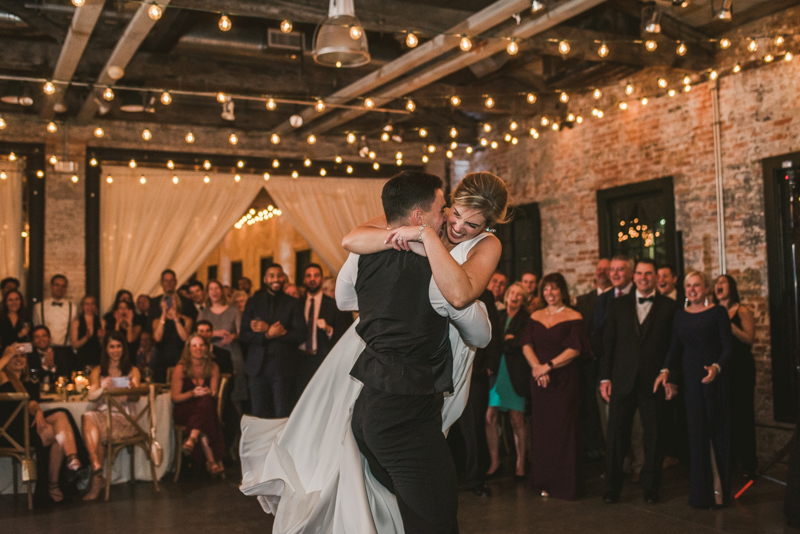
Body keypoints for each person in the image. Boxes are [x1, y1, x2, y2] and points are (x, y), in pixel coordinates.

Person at [239, 171, 506, 533]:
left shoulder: (484, 244)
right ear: (444, 205)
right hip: (403, 370)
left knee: (417, 479)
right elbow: (352, 238)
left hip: (443, 349)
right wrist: (413, 238)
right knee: (424, 495)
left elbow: (460, 293)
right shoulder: (426, 218)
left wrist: (425, 238)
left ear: (489, 225)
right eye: (454, 213)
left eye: (472, 224)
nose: (457, 226)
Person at [599, 259, 679, 504]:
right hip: (622, 379)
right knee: (616, 436)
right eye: (640, 274)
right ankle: (612, 487)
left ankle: (651, 488)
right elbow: (608, 344)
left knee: (654, 436)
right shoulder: (618, 305)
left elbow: (675, 346)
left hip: (654, 380)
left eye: (649, 274)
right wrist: (605, 377)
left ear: (657, 277)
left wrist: (670, 375)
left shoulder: (670, 306)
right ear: (634, 277)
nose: (644, 278)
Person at [654, 271, 734, 508]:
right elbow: (674, 349)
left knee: (716, 433)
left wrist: (717, 368)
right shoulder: (680, 316)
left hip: (713, 380)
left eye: (696, 285)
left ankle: (719, 491)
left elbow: (728, 348)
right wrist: (666, 370)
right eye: (688, 286)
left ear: (706, 288)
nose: (692, 289)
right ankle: (701, 494)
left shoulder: (717, 313)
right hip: (691, 381)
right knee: (696, 435)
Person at [521, 272, 586, 500]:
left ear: (562, 291)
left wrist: (548, 366)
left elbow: (575, 349)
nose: (550, 293)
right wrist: (537, 367)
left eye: (554, 288)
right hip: (539, 380)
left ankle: (565, 484)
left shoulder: (573, 316)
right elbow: (526, 344)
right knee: (542, 431)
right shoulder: (535, 315)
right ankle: (544, 481)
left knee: (564, 430)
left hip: (563, 380)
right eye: (546, 288)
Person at [1, 343, 86, 502]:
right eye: (14, 356)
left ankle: (72, 459)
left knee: (61, 415)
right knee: (56, 433)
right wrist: (6, 356)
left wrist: (38, 411)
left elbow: (31, 403)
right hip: (9, 431)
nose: (19, 359)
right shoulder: (3, 376)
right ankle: (53, 484)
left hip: (25, 424)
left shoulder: (25, 380)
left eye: (21, 355)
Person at [81, 331, 142, 500]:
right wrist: (101, 386)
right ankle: (96, 464)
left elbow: (137, 395)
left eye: (119, 346)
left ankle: (96, 480)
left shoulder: (132, 370)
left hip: (123, 419)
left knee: (95, 430)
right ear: (106, 349)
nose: (115, 350)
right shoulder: (98, 371)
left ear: (124, 348)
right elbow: (91, 395)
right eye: (112, 346)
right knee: (88, 417)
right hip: (102, 415)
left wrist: (130, 388)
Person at [239, 264, 305, 418]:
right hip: (257, 366)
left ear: (284, 278)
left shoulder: (293, 303)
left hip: (283, 366)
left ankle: (281, 443)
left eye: (279, 275)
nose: (276, 279)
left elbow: (301, 335)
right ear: (265, 279)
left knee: (282, 412)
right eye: (271, 275)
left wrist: (270, 330)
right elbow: (244, 335)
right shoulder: (253, 302)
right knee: (258, 412)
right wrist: (267, 335)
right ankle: (261, 443)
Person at [453, 288, 500, 497]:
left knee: (473, 428)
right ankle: (451, 476)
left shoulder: (484, 292)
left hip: (476, 368)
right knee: (446, 428)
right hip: (446, 369)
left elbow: (494, 330)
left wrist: (490, 364)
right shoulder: (435, 280)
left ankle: (475, 479)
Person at [714, 274, 757, 477]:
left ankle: (749, 463)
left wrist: (729, 324)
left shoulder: (742, 310)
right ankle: (728, 462)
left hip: (741, 366)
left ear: (731, 287)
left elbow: (749, 339)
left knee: (743, 414)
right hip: (723, 367)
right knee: (725, 414)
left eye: (723, 283)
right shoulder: (713, 311)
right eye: (716, 283)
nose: (719, 286)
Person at [486, 282, 530, 481]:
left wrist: (508, 341)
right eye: (512, 292)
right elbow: (493, 341)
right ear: (506, 295)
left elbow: (520, 344)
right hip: (497, 372)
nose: (515, 296)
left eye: (519, 295)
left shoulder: (526, 318)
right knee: (490, 418)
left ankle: (521, 463)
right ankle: (495, 461)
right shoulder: (499, 315)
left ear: (523, 299)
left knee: (516, 419)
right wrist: (507, 340)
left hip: (516, 373)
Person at [296, 263, 354, 398]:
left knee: (321, 397)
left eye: (316, 275)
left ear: (322, 279)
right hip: (300, 359)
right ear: (304, 280)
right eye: (308, 276)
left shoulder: (333, 305)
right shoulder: (297, 304)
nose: (312, 279)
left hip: (322, 358)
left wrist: (329, 330)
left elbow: (344, 335)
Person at [171, 333, 225, 475]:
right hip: (185, 408)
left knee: (206, 403)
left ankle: (193, 439)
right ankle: (211, 461)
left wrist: (206, 391)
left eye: (201, 345)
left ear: (206, 348)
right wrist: (192, 393)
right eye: (194, 345)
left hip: (203, 408)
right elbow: (175, 397)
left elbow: (214, 393)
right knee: (204, 414)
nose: (198, 348)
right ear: (188, 349)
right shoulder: (180, 368)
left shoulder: (213, 367)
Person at [574, 258, 612, 461]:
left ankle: (611, 450)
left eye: (606, 269)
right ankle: (592, 450)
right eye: (600, 269)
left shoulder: (619, 298)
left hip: (611, 361)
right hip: (587, 363)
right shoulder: (583, 301)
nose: (602, 272)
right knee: (589, 407)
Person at [199, 280, 246, 405]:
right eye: (211, 289)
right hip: (211, 354)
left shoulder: (233, 311)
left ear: (222, 291)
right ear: (208, 293)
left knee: (235, 393)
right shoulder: (204, 313)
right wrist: (214, 333)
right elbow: (198, 334)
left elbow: (242, 332)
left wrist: (233, 335)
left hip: (232, 352)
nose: (214, 291)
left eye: (217, 288)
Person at [150, 285, 193, 384]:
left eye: (171, 300)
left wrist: (175, 318)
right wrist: (163, 315)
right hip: (162, 357)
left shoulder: (186, 319)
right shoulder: (157, 320)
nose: (169, 303)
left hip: (180, 356)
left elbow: (185, 337)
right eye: (167, 300)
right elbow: (157, 338)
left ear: (177, 302)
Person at [32, 274, 76, 365]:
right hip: (45, 350)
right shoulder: (39, 307)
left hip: (65, 350)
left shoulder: (73, 307)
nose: (60, 288)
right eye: (57, 285)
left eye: (63, 286)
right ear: (51, 287)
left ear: (66, 288)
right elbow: (36, 329)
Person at [71, 295, 105, 369]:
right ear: (83, 306)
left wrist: (101, 337)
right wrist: (86, 337)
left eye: (92, 303)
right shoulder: (76, 322)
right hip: (82, 357)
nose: (89, 306)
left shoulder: (101, 322)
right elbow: (74, 344)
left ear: (95, 306)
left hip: (97, 357)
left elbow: (103, 345)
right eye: (87, 304)